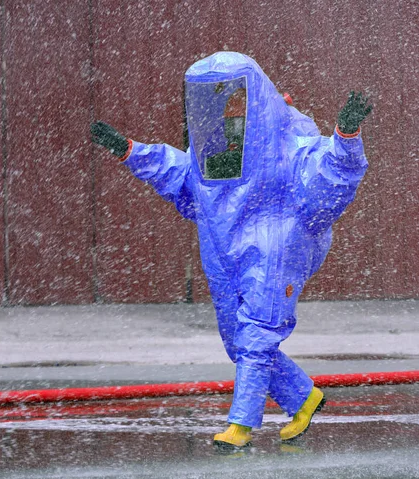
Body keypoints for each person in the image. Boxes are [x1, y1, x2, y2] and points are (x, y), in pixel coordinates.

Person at [91, 51, 372, 452]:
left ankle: (240, 425)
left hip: (278, 248)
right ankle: (303, 397)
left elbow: (330, 182)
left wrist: (345, 137)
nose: (222, 107)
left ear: (254, 94)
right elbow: (181, 176)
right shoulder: (215, 151)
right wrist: (130, 151)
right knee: (237, 340)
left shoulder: (287, 147)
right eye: (210, 98)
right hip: (224, 252)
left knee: (257, 334)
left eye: (230, 95)